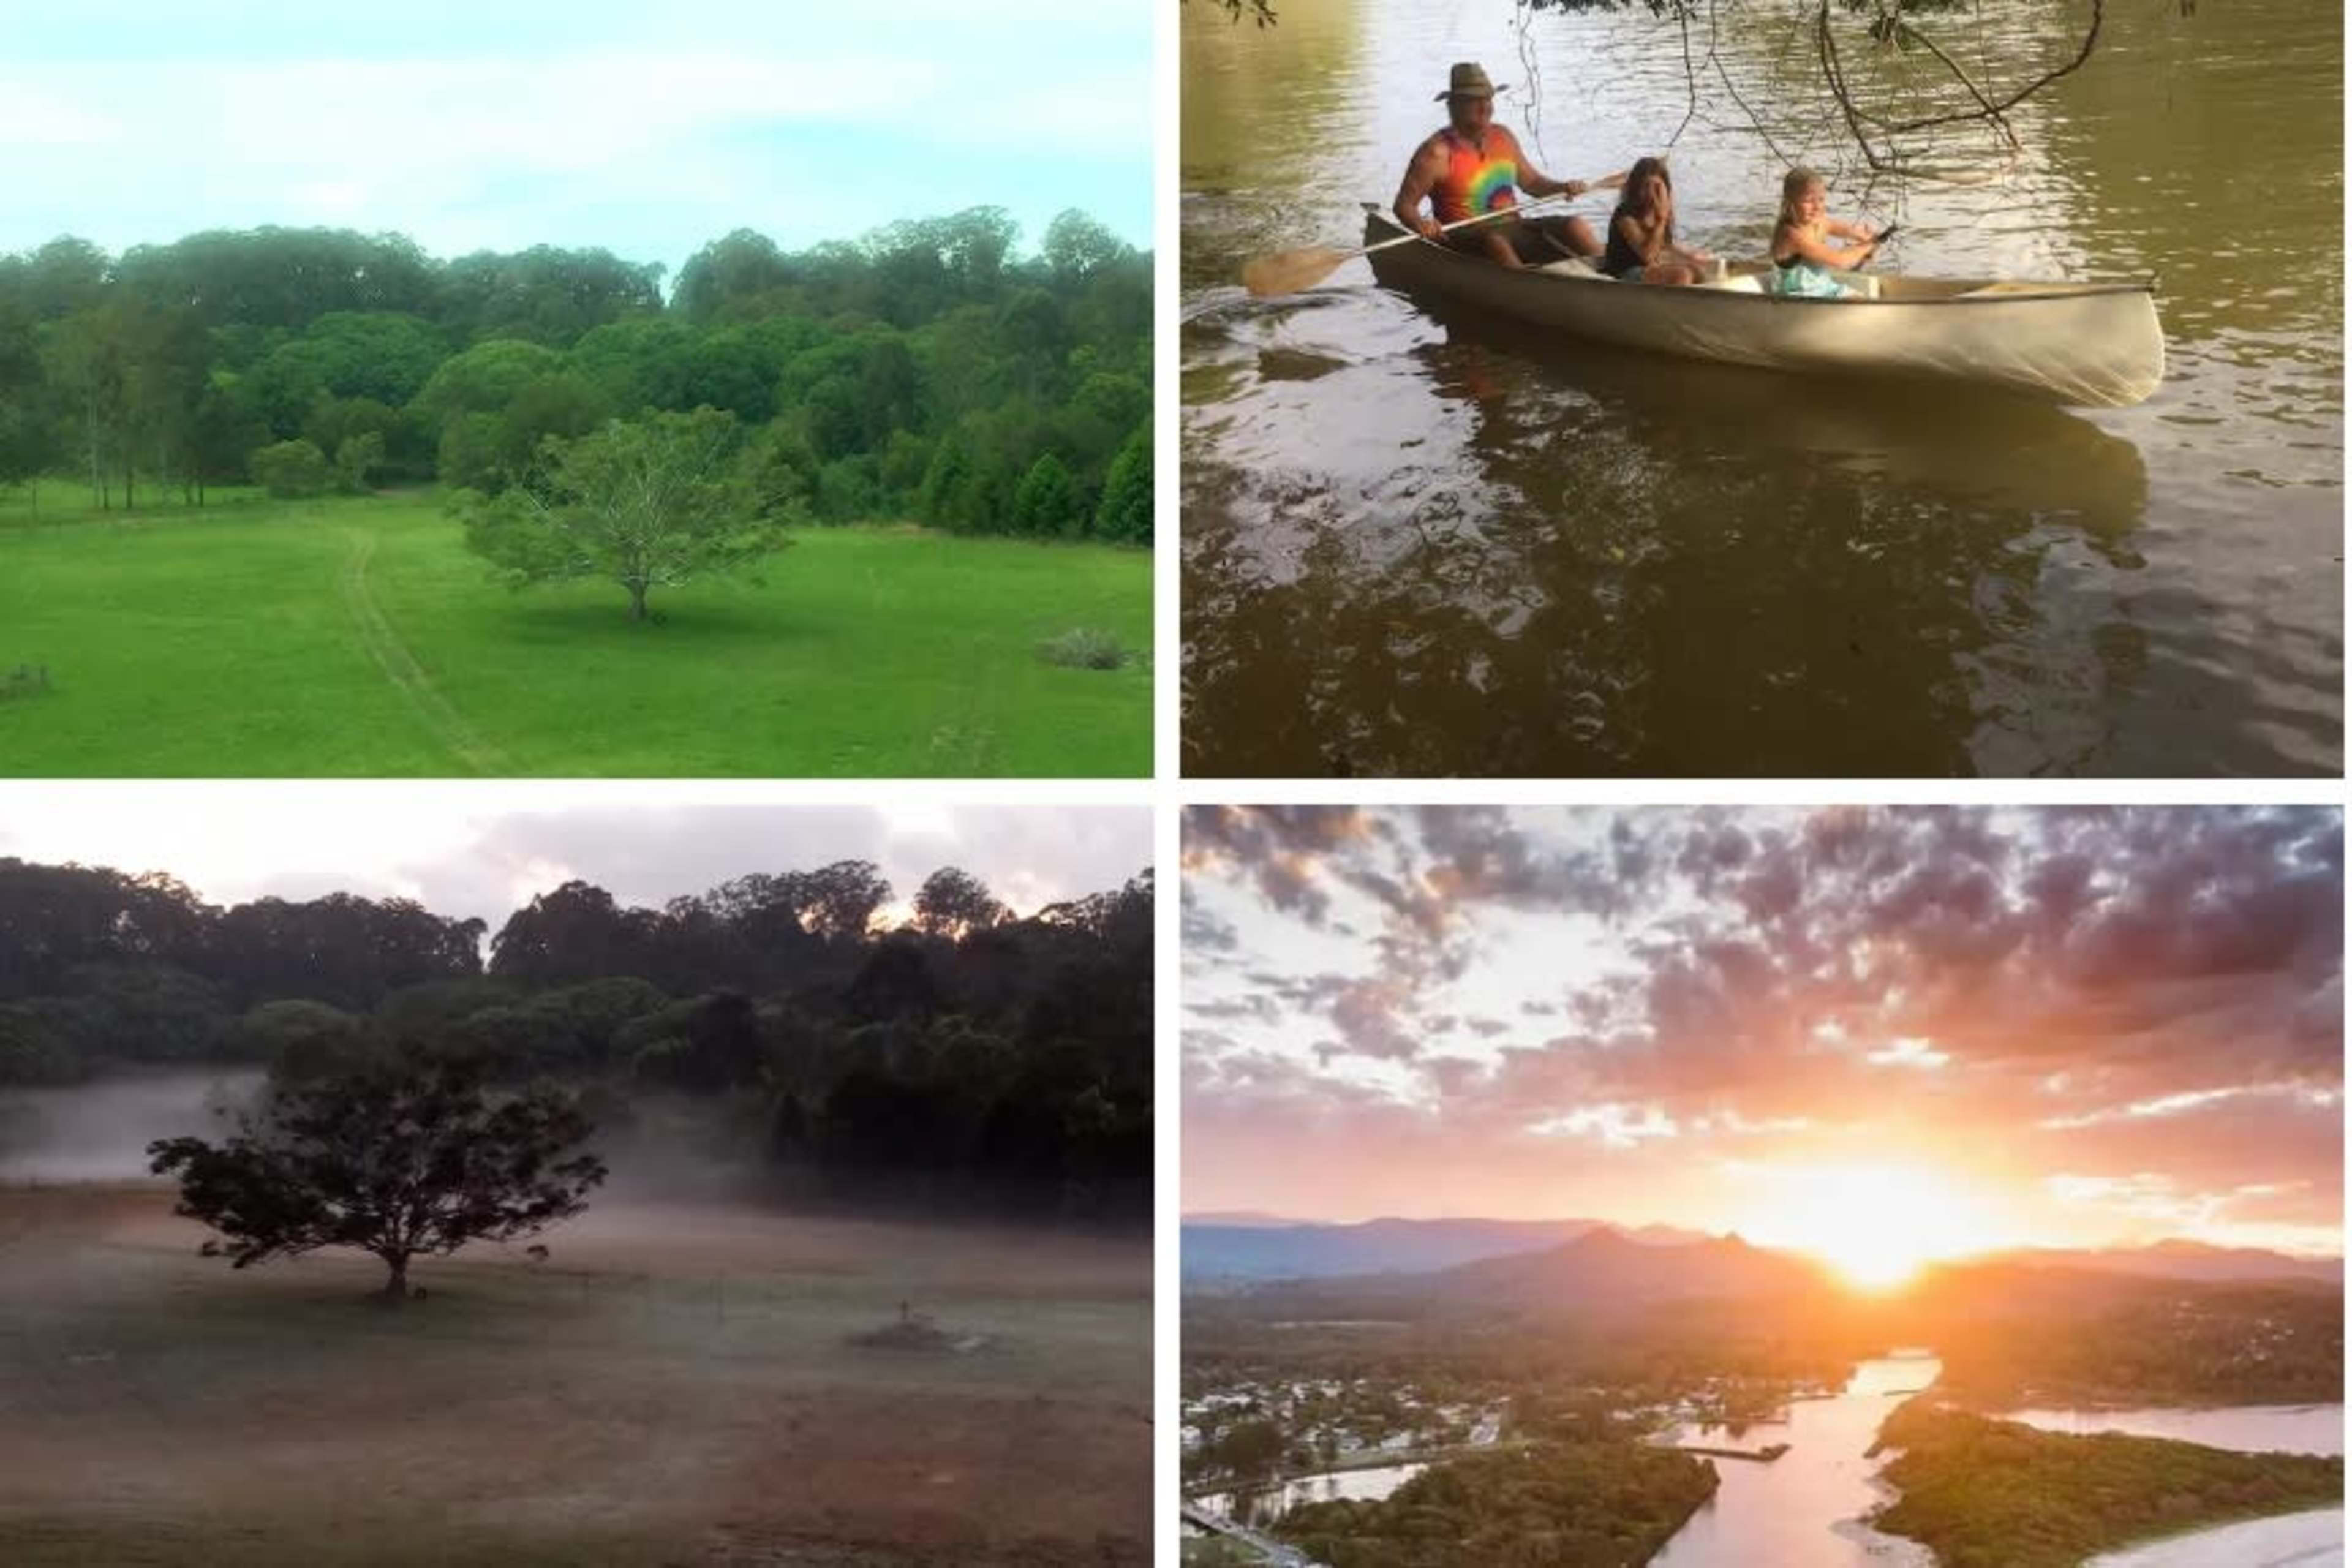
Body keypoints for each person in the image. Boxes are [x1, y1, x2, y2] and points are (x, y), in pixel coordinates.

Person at [1392, 62, 1616, 269]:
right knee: (1496, 241)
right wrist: (1420, 223)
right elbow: (1404, 206)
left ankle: (1613, 277)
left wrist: (1564, 187)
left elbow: (1533, 183)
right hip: (1467, 238)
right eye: (1475, 101)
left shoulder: (1503, 137)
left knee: (1575, 226)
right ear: (1455, 106)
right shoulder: (1436, 153)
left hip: (1516, 229)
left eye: (1488, 99)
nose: (1485, 107)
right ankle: (1529, 289)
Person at [1769, 167, 1885, 298]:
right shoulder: (1791, 234)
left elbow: (1846, 230)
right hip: (1797, 298)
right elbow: (1839, 260)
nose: (1817, 207)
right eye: (1808, 201)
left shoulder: (1819, 222)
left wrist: (1865, 238)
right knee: (1863, 306)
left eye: (1821, 200)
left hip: (1824, 289)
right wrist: (1866, 247)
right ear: (1789, 203)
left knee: (1862, 299)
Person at [1600, 157, 1711, 285]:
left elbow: (1663, 244)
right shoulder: (1626, 215)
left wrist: (1688, 255)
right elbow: (1648, 256)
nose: (1651, 193)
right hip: (1624, 273)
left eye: (1657, 187)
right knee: (1682, 275)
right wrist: (1661, 219)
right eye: (1646, 186)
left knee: (1697, 271)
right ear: (1637, 188)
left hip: (1648, 268)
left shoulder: (1658, 210)